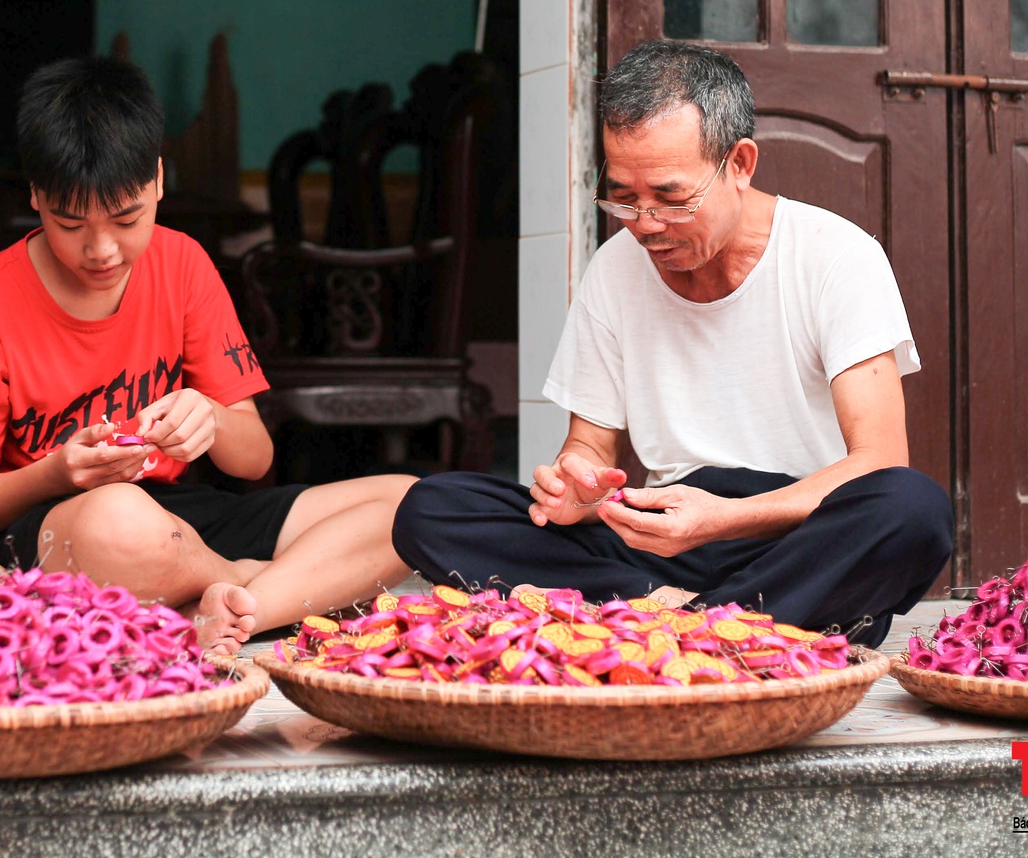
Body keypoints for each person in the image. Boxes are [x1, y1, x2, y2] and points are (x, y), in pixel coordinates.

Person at [392, 41, 952, 647]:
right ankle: (721, 624)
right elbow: (589, 444)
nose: (646, 223)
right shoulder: (616, 268)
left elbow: (878, 459)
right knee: (433, 507)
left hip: (797, 536)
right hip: (660, 544)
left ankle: (667, 625)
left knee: (910, 508)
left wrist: (725, 519)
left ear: (740, 163)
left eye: (670, 196)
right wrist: (573, 489)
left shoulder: (836, 257)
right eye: (625, 198)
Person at [0, 56, 415, 654]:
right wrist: (56, 471)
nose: (101, 249)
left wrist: (207, 414)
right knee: (121, 520)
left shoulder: (182, 265)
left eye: (127, 218)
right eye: (70, 223)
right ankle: (259, 587)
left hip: (179, 516)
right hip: (59, 526)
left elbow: (254, 460)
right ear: (36, 194)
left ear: (157, 179)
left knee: (407, 504)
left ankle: (216, 611)